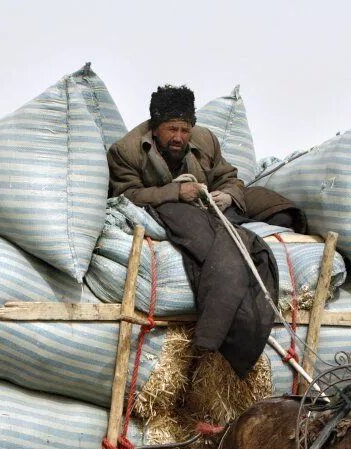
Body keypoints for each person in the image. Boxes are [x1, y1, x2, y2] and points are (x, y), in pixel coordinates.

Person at [106, 86, 304, 378]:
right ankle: (219, 333)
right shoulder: (127, 150)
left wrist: (227, 195)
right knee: (223, 248)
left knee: (279, 210)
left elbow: (228, 176)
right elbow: (128, 195)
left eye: (185, 130)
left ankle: (246, 220)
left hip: (211, 201)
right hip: (172, 206)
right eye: (171, 129)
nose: (178, 137)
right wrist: (176, 191)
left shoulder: (205, 139)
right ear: (155, 127)